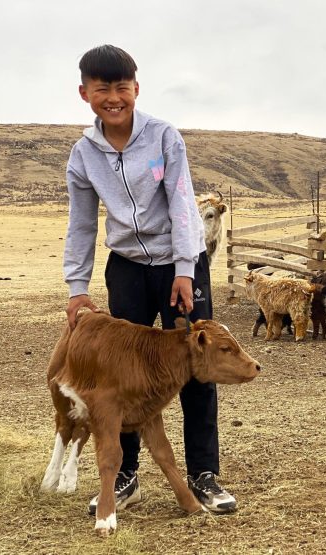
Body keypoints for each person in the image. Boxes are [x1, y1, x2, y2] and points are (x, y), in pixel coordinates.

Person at [63, 44, 235, 515]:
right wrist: (77, 288)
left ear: (136, 89)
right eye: (103, 89)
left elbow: (181, 202)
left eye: (123, 87)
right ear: (85, 93)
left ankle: (203, 474)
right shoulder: (83, 155)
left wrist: (183, 269)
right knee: (124, 374)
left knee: (199, 362)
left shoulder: (163, 138)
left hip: (181, 263)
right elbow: (81, 223)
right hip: (128, 268)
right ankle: (125, 475)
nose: (114, 97)